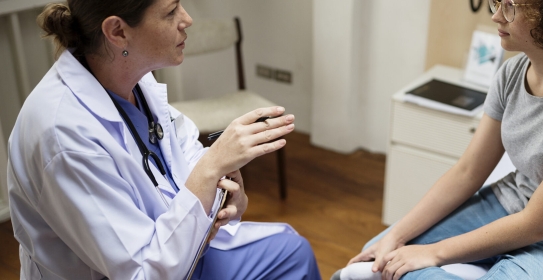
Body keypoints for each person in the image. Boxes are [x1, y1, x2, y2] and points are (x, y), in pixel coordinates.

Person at [7, 0, 321, 279]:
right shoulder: (63, 137)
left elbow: (185, 155)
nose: (187, 19)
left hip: (180, 250)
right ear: (118, 32)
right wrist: (213, 166)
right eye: (171, 11)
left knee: (294, 252)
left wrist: (228, 196)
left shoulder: (135, 79)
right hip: (150, 269)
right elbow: (141, 272)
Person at [335, 0, 543, 279]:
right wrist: (397, 234)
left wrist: (433, 252)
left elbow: (538, 224)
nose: (495, 16)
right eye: (496, 1)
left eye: (510, 6)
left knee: (397, 270)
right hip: (511, 205)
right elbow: (467, 171)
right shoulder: (512, 73)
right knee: (378, 255)